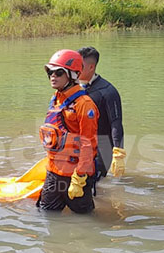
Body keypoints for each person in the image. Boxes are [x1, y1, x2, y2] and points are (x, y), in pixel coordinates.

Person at [37, 49, 99, 214]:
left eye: (59, 72)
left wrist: (80, 177)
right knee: (46, 214)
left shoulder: (84, 105)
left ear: (73, 75)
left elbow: (88, 143)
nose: (53, 76)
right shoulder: (55, 99)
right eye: (50, 72)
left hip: (75, 176)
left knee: (86, 220)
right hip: (53, 172)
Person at [77, 46, 125, 180]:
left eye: (79, 66)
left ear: (91, 67)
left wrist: (118, 152)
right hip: (81, 145)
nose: (75, 69)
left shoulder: (108, 91)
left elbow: (116, 124)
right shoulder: (74, 88)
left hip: (102, 147)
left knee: (92, 186)